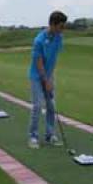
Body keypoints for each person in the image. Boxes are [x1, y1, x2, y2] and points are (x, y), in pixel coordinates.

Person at [28, 11, 67, 149]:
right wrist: (46, 80)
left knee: (51, 105)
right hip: (36, 76)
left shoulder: (59, 37)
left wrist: (50, 77)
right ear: (53, 24)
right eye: (61, 26)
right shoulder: (39, 40)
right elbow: (38, 63)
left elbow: (54, 58)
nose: (62, 29)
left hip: (48, 75)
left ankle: (50, 135)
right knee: (38, 105)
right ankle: (33, 136)